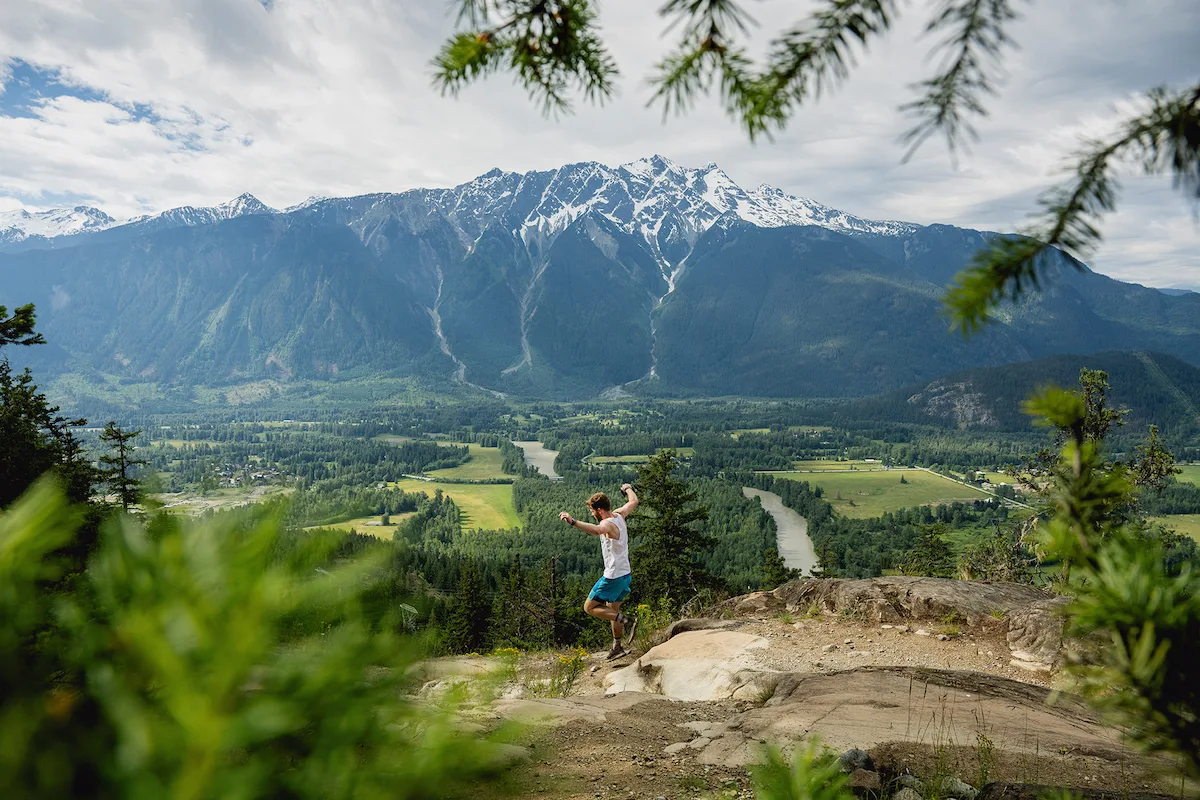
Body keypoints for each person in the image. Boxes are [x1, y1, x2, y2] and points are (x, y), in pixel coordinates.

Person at [559, 483, 639, 660]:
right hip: (625, 574)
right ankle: (617, 646)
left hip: (613, 576)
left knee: (589, 607)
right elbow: (633, 501)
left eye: (592, 511)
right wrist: (627, 489)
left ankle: (629, 621)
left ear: (600, 509)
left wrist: (573, 522)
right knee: (612, 611)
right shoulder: (620, 514)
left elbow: (598, 531)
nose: (592, 514)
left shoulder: (607, 524)